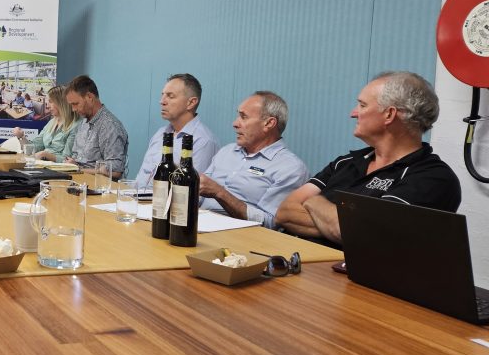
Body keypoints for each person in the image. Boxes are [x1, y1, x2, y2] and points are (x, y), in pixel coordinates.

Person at [276, 71, 462, 245]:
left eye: (362, 105)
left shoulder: (432, 178)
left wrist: (313, 201)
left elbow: (366, 235)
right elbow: (284, 212)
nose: (353, 113)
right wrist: (338, 225)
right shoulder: (346, 163)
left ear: (389, 114)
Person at [198, 92, 308, 229]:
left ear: (269, 123)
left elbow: (271, 222)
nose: (235, 123)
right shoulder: (227, 151)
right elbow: (200, 196)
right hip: (199, 223)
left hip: (242, 235)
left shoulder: (290, 168)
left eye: (243, 117)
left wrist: (219, 193)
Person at [134, 73, 219, 190]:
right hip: (136, 200)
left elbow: (191, 192)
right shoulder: (160, 133)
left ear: (191, 102)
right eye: (162, 95)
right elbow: (140, 179)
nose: (162, 101)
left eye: (170, 96)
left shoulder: (203, 141)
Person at [64, 74, 129, 178]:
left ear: (89, 97)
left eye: (75, 104)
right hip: (77, 181)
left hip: (98, 187)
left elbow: (115, 170)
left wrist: (78, 169)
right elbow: (76, 157)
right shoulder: (84, 122)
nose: (73, 109)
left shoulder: (110, 125)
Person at [11, 85, 78, 162]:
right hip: (42, 165)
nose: (47, 106)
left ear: (61, 103)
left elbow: (67, 160)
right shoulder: (51, 122)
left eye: (50, 102)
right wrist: (21, 137)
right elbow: (35, 147)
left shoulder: (75, 126)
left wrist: (46, 155)